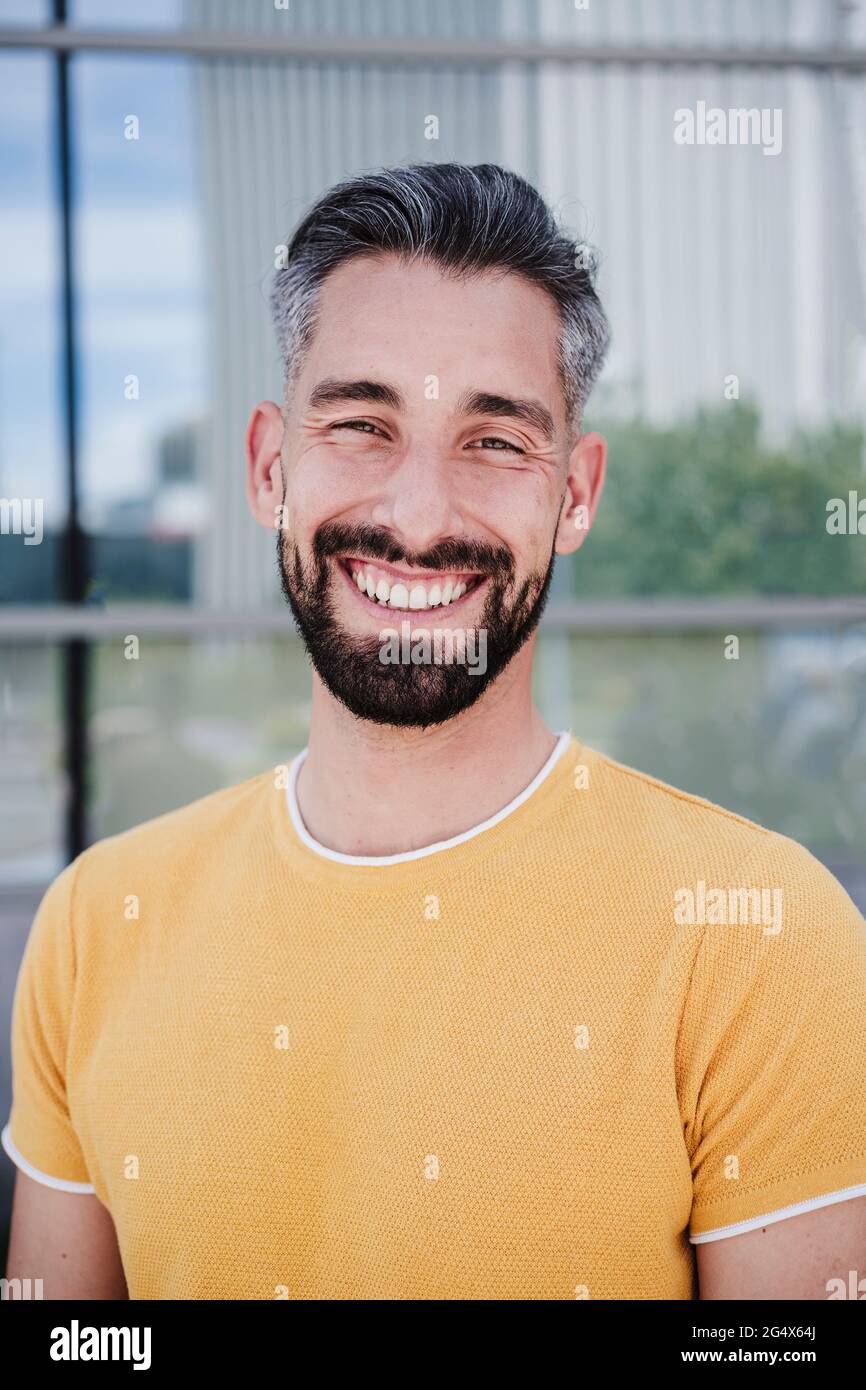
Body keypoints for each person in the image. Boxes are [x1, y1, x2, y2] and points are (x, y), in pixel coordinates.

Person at [5, 164, 865, 1300]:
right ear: (270, 465)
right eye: (362, 424)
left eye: (495, 442)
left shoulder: (761, 938)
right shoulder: (91, 925)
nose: (416, 516)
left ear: (574, 493)